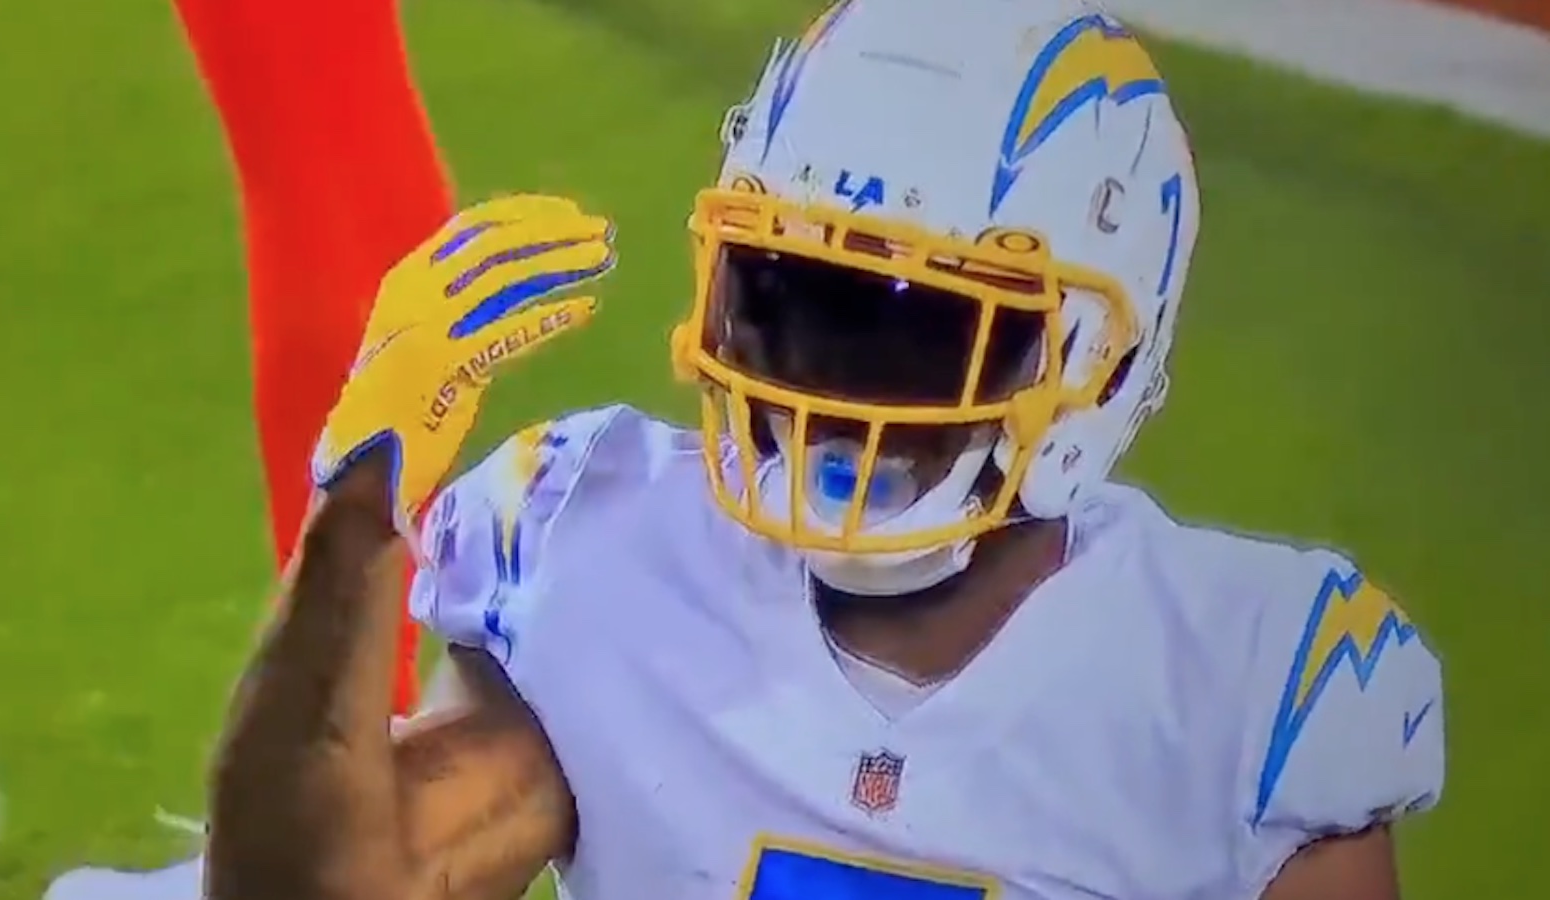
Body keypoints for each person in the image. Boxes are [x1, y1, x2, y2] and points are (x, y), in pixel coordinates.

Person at [200, 1, 1452, 899]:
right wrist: (364, 493)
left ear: (1091, 363)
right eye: (789, 302)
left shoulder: (1240, 691)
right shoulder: (607, 555)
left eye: (909, 334)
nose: (826, 395)